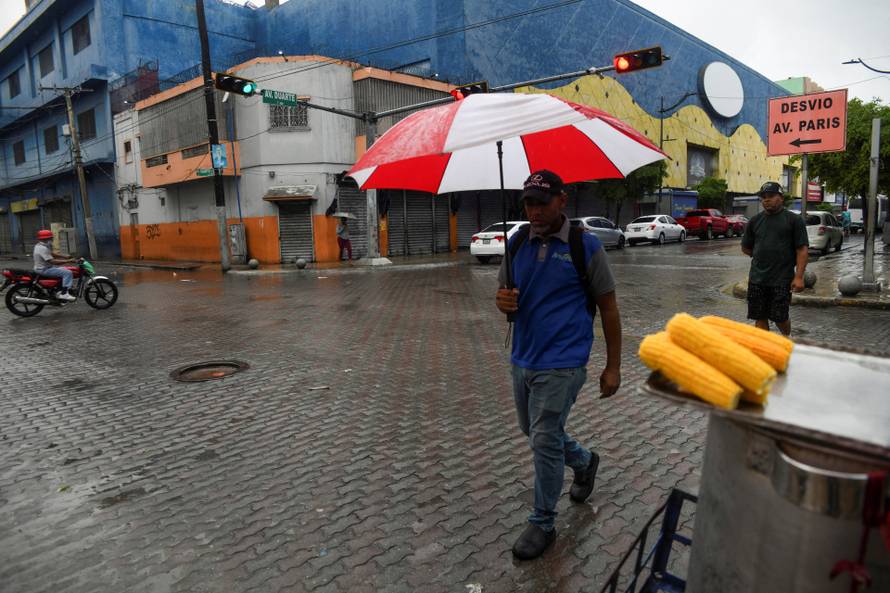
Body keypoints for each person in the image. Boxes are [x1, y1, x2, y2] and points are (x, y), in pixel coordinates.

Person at [495, 170, 622, 560]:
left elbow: (609, 308)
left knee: (545, 440)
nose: (534, 211)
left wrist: (613, 366)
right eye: (529, 204)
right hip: (523, 356)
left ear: (562, 201)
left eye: (542, 203)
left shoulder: (586, 246)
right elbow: (504, 296)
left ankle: (543, 522)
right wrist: (503, 302)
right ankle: (584, 461)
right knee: (533, 432)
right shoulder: (517, 242)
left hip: (564, 361)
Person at [741, 181, 809, 336]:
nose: (766, 199)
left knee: (780, 317)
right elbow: (745, 248)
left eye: (771, 196)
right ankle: (765, 346)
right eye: (763, 197)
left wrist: (799, 277)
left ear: (781, 198)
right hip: (757, 279)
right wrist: (761, 254)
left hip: (781, 280)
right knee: (759, 316)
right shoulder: (755, 221)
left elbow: (802, 250)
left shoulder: (793, 220)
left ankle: (786, 338)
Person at [33, 229, 77, 301]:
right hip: (44, 269)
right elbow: (52, 261)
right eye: (50, 238)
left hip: (43, 268)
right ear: (45, 238)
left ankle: (59, 289)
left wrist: (65, 256)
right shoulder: (42, 248)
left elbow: (51, 254)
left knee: (64, 269)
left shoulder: (40, 245)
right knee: (68, 273)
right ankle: (64, 293)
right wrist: (68, 261)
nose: (51, 239)